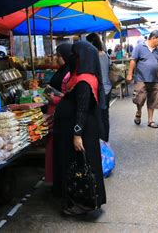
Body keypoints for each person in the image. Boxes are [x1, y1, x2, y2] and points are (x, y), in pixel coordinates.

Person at [53, 41, 106, 215]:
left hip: (83, 131)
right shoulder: (79, 76)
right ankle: (77, 201)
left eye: (75, 54)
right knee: (78, 167)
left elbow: (82, 109)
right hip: (80, 129)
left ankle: (83, 204)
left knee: (83, 167)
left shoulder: (85, 80)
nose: (72, 58)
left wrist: (77, 134)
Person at [44, 43, 73, 185]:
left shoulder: (70, 73)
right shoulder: (61, 70)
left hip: (60, 112)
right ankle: (53, 180)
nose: (56, 58)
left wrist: (53, 98)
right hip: (53, 111)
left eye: (59, 55)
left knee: (59, 148)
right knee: (52, 147)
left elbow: (69, 97)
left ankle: (60, 182)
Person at [126, 30, 158, 129]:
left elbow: (156, 63)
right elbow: (133, 61)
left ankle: (150, 121)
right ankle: (139, 111)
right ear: (153, 38)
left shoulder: (156, 50)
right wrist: (130, 74)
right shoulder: (139, 47)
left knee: (153, 99)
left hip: (154, 79)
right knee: (139, 98)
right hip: (141, 78)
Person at [86, 32, 112, 142]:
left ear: (91, 42)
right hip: (108, 88)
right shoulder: (105, 54)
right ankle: (105, 139)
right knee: (105, 116)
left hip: (99, 89)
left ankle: (101, 140)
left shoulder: (93, 55)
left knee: (99, 116)